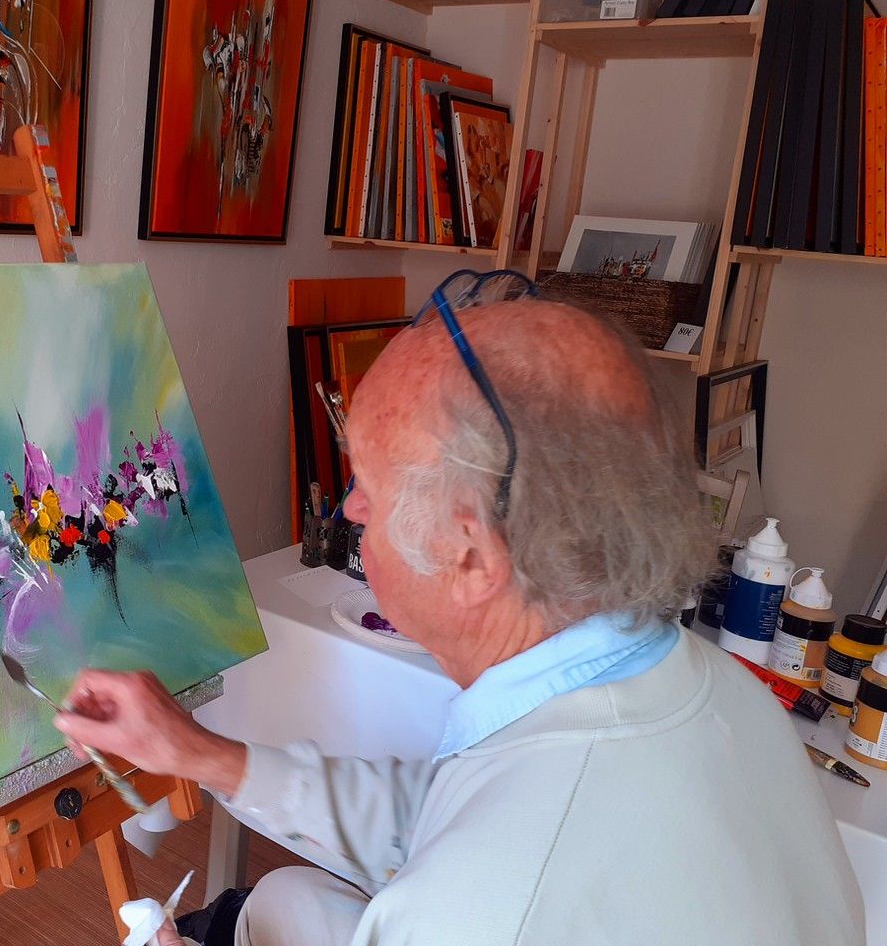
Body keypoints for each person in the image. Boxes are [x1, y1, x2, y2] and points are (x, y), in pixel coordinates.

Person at [56, 276, 865, 946]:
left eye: (368, 484)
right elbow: (443, 819)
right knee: (285, 899)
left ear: (472, 555)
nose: (350, 508)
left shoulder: (482, 908)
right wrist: (200, 752)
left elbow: (484, 867)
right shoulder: (713, 686)